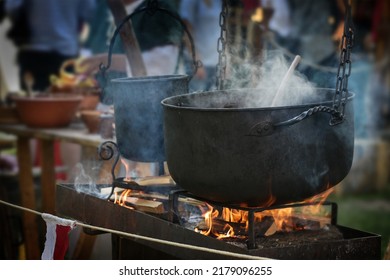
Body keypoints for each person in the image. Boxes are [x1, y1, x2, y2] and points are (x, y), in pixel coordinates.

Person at [4, 0, 96, 92]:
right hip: (67, 51)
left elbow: (12, 6)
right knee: (66, 101)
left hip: (34, 51)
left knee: (33, 102)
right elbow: (87, 11)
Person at [178, 0, 222, 92]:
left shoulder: (217, 1)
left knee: (215, 98)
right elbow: (187, 32)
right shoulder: (189, 2)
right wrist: (197, 62)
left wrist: (226, 60)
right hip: (197, 61)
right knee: (196, 98)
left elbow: (222, 30)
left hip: (215, 61)